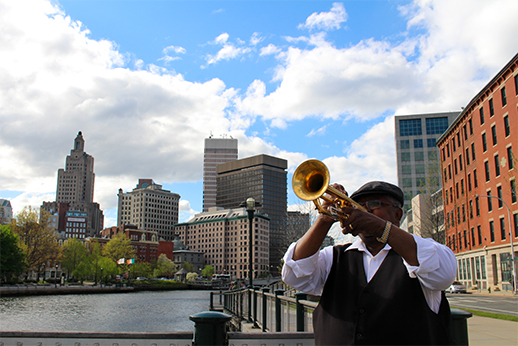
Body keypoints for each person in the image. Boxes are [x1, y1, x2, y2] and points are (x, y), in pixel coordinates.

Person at [282, 181, 457, 345]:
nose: (365, 211)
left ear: (398, 214)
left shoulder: (422, 251)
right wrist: (324, 218)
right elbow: (294, 276)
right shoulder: (334, 256)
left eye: (374, 204)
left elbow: (443, 276)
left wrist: (383, 229)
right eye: (359, 206)